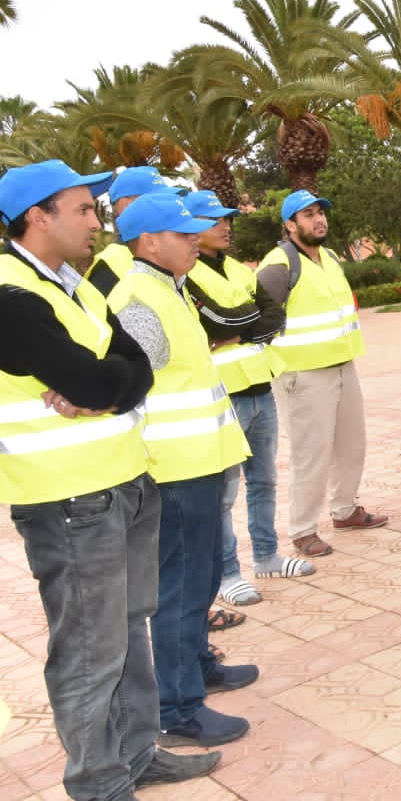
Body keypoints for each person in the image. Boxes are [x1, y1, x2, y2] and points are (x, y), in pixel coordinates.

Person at [0, 161, 221, 799]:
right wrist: (104, 384)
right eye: (82, 210)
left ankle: (135, 753)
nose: (98, 221)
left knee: (127, 629)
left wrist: (105, 386)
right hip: (67, 498)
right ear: (37, 217)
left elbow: (132, 369)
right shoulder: (11, 295)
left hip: (123, 480)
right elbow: (97, 379)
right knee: (88, 648)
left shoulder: (76, 285)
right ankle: (97, 781)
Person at [107, 193, 260, 748]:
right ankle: (177, 708)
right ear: (149, 242)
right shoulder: (137, 300)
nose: (196, 238)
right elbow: (125, 383)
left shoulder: (168, 287)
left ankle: (198, 664)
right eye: (183, 233)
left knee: (203, 576)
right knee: (180, 585)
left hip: (201, 460)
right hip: (172, 469)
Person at [181, 190, 309, 609]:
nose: (226, 226)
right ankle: (228, 575)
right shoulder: (187, 274)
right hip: (224, 397)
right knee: (223, 494)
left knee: (264, 480)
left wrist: (237, 330)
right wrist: (242, 326)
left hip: (260, 388)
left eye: (228, 219)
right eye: (215, 219)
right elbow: (216, 323)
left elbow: (275, 316)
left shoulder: (239, 269)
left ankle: (267, 557)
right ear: (190, 227)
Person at [257, 189, 387, 559]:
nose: (319, 220)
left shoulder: (328, 257)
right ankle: (302, 530)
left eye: (320, 212)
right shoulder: (279, 264)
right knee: (310, 453)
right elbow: (258, 319)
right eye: (309, 214)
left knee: (351, 444)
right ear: (290, 224)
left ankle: (345, 510)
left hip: (343, 364)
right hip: (303, 375)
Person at [86, 164, 173, 297]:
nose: (167, 207)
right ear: (124, 205)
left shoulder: (171, 251)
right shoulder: (108, 267)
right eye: (155, 200)